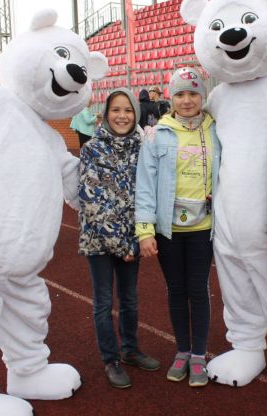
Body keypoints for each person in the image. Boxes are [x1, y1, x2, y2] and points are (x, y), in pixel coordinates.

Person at [135, 67, 220, 387]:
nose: (187, 100)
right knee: (176, 290)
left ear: (203, 96)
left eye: (193, 93)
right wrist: (144, 229)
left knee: (198, 289)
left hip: (204, 227)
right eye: (180, 94)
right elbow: (145, 183)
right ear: (171, 97)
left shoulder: (215, 131)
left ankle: (199, 353)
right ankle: (182, 350)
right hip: (167, 230)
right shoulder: (157, 134)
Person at [78, 88, 160, 389]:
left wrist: (137, 238)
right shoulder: (92, 149)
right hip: (100, 243)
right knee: (103, 301)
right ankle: (110, 358)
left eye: (128, 110)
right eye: (116, 110)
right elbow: (93, 200)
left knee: (130, 300)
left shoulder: (142, 147)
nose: (122, 116)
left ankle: (130, 349)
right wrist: (120, 244)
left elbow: (148, 191)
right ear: (106, 113)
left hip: (131, 240)